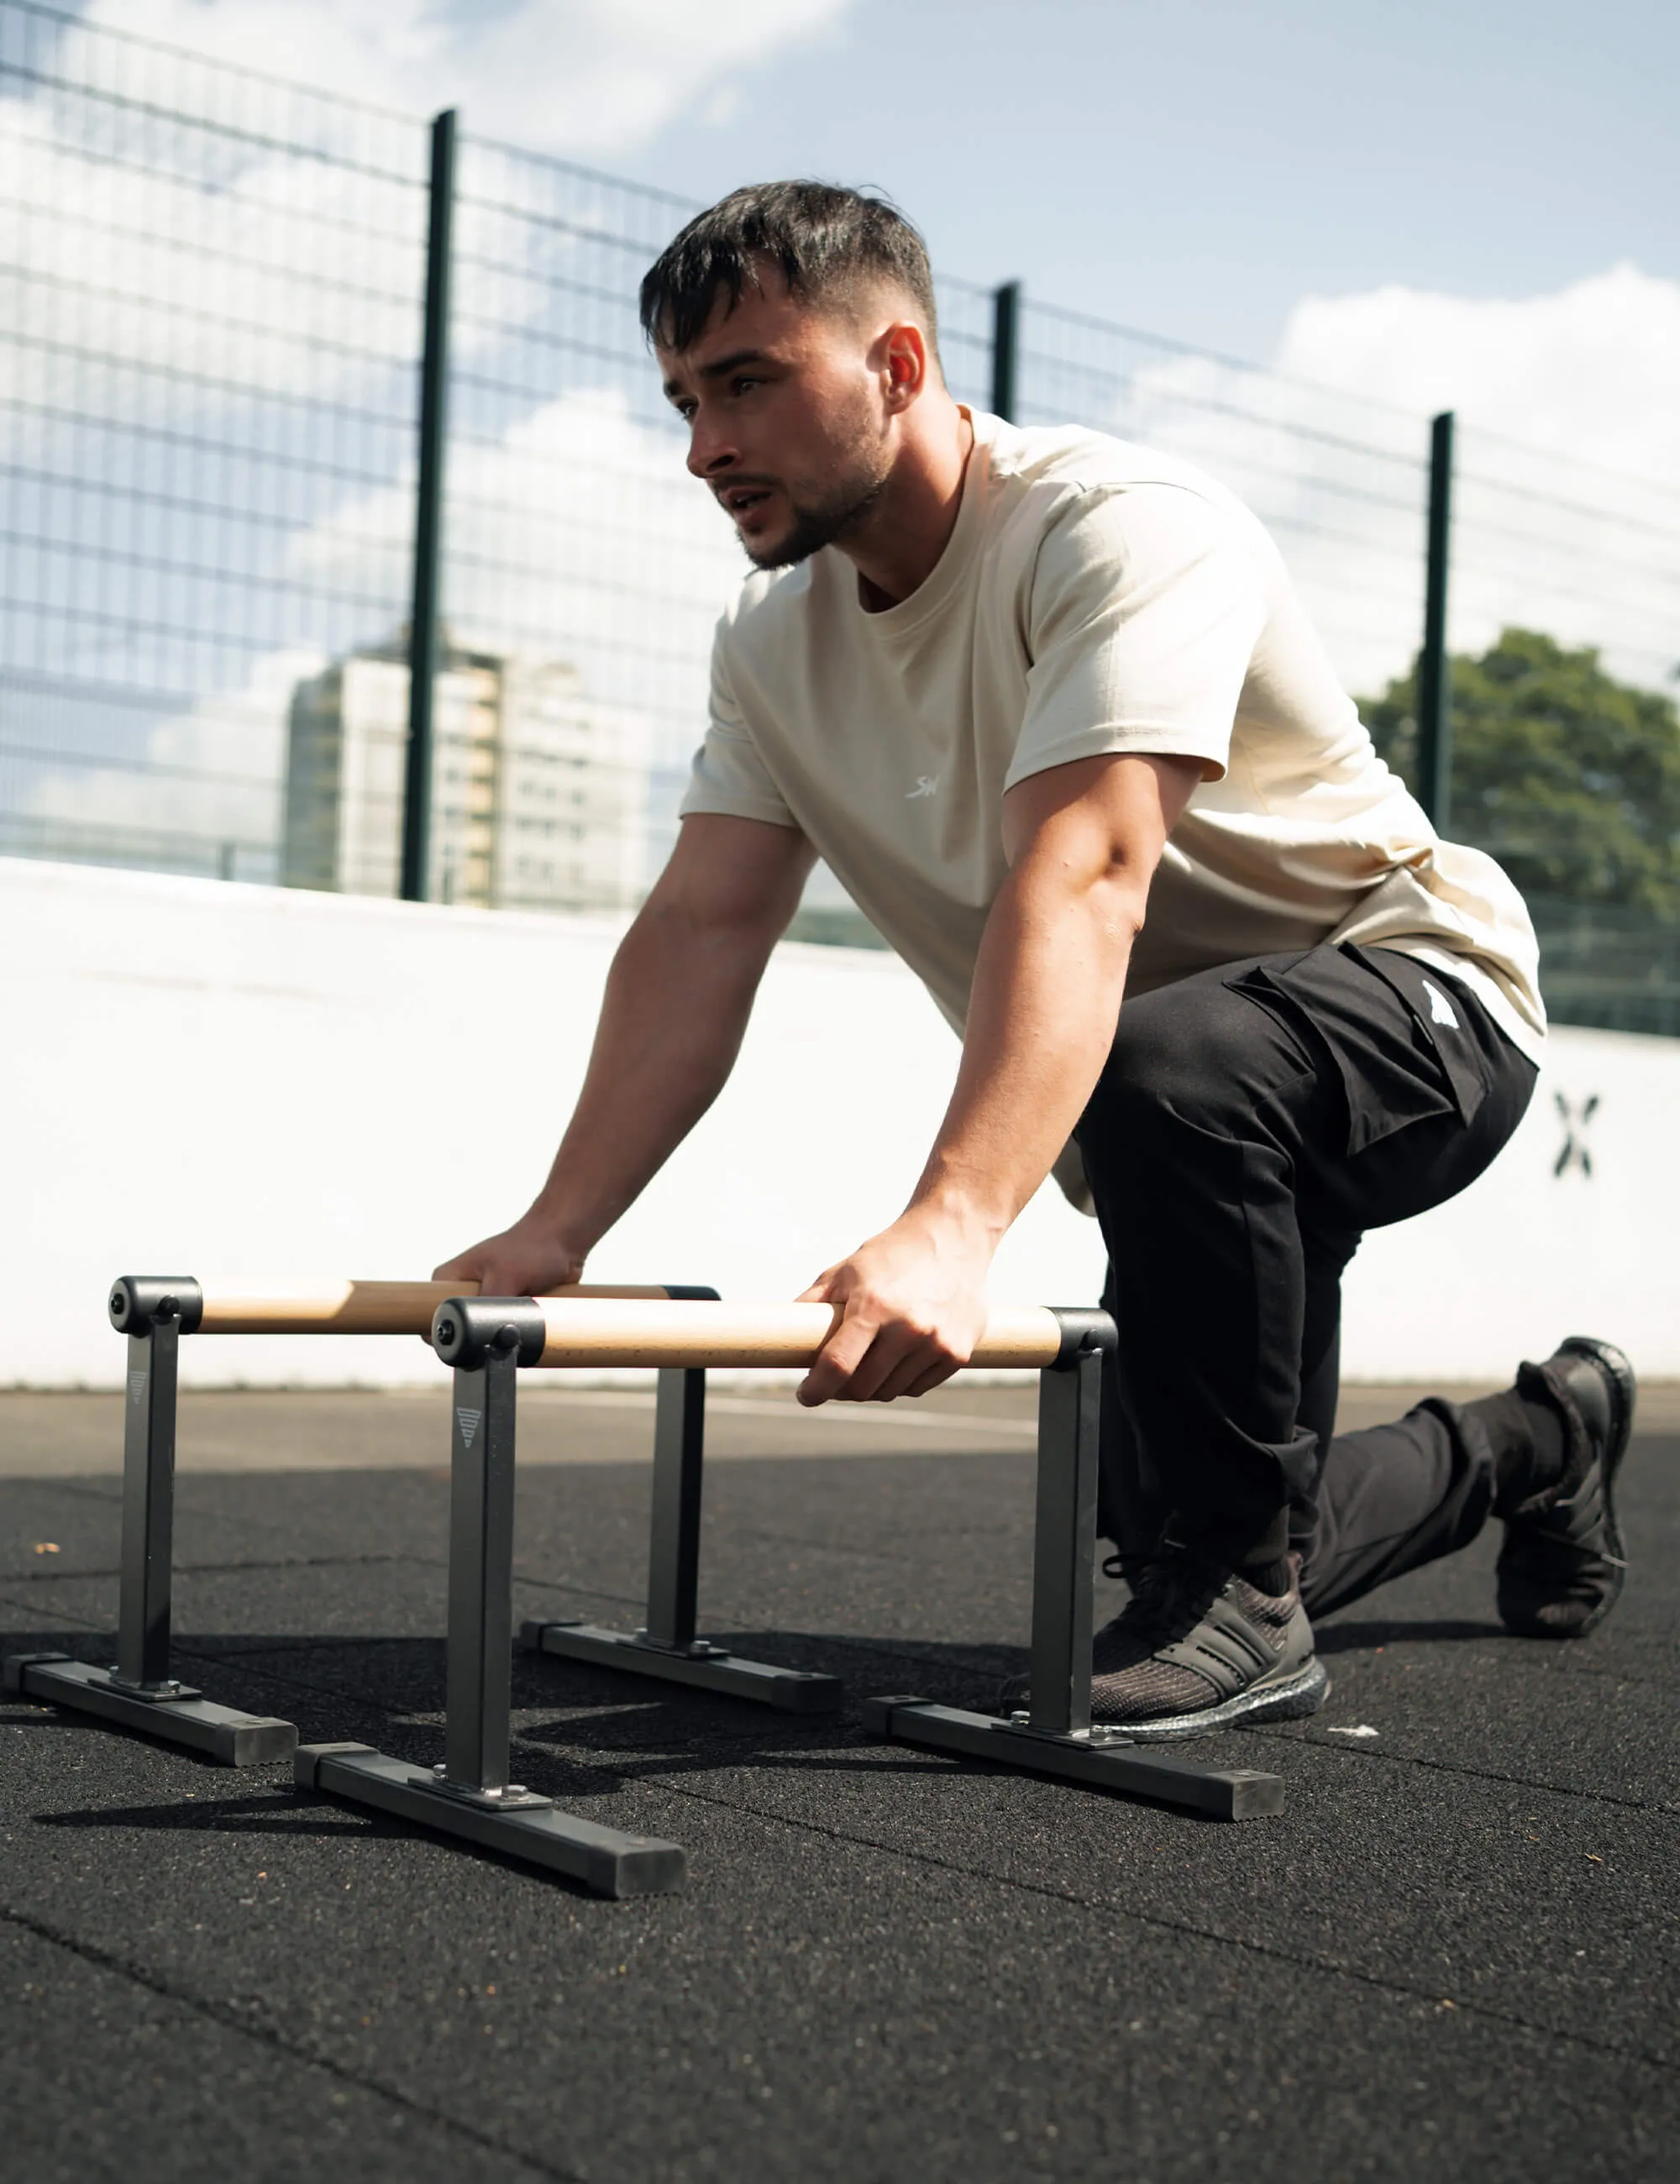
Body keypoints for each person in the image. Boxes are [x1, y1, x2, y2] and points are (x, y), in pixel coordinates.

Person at [436, 181, 1634, 1740]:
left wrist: (953, 1222)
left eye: (748, 383)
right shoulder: (768, 644)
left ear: (901, 366)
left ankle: (1237, 1606)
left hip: (1415, 1005)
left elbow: (1089, 869)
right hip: (1179, 1107)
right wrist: (558, 1227)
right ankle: (1541, 1443)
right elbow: (702, 927)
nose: (703, 447)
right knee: (1221, 1524)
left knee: (1174, 1126)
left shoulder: (1114, 528)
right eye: (683, 399)